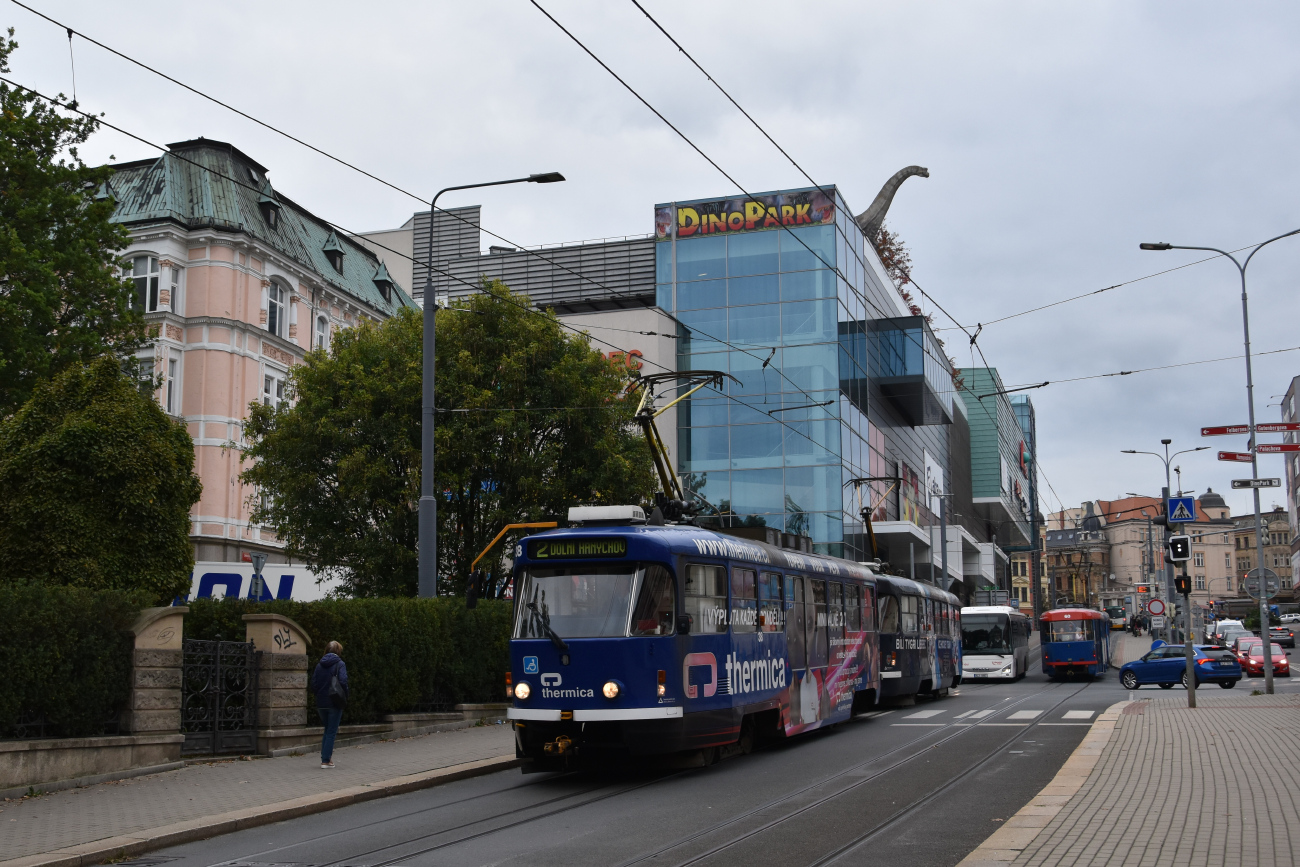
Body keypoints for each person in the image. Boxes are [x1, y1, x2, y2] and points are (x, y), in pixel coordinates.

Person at [311, 641, 349, 769]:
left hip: (321, 703)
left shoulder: (319, 665)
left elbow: (314, 684)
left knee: (327, 730)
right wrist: (345, 696)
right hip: (334, 701)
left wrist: (319, 695)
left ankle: (325, 757)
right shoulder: (340, 664)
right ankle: (326, 760)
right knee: (331, 731)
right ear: (338, 651)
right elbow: (343, 681)